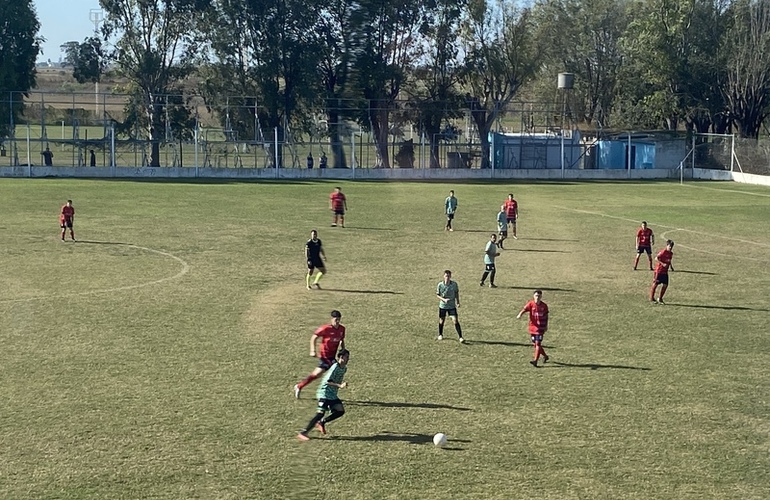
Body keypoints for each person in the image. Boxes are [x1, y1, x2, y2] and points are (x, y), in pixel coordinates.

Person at [297, 348, 350, 441]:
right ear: (341, 357)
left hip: (332, 394)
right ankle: (303, 432)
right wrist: (340, 385)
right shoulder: (335, 367)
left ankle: (322, 422)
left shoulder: (344, 368)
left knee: (340, 411)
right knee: (320, 414)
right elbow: (327, 381)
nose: (348, 359)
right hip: (324, 393)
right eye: (346, 357)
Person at [294, 310, 346, 398]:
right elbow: (314, 337)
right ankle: (326, 394)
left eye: (338, 320)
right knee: (330, 373)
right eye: (335, 320)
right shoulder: (325, 329)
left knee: (319, 374)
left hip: (332, 357)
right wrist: (312, 350)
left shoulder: (342, 329)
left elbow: (341, 339)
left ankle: (300, 386)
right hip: (325, 356)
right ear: (331, 319)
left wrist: (343, 349)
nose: (337, 322)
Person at [517, 289, 550, 367]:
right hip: (532, 327)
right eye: (536, 296)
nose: (537, 297)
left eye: (539, 296)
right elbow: (524, 309)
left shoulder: (544, 306)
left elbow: (546, 316)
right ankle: (545, 356)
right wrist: (520, 314)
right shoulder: (531, 304)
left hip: (540, 328)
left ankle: (535, 360)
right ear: (533, 296)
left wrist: (546, 326)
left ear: (541, 296)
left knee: (538, 344)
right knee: (535, 345)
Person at [436, 270, 464, 343]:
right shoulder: (440, 285)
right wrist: (444, 300)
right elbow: (437, 295)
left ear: (450, 276)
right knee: (442, 320)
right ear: (443, 276)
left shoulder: (454, 284)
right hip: (443, 306)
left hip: (451, 306)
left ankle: (460, 337)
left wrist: (457, 302)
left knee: (455, 320)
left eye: (448, 276)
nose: (447, 278)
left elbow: (456, 293)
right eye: (446, 276)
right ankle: (440, 334)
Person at [650, 240, 675, 304]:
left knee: (665, 285)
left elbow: (669, 261)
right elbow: (656, 258)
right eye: (669, 246)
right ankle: (652, 298)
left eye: (671, 246)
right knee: (655, 284)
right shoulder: (663, 252)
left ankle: (660, 298)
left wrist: (671, 266)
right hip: (659, 271)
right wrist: (663, 264)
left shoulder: (671, 254)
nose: (670, 247)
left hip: (665, 272)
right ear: (667, 245)